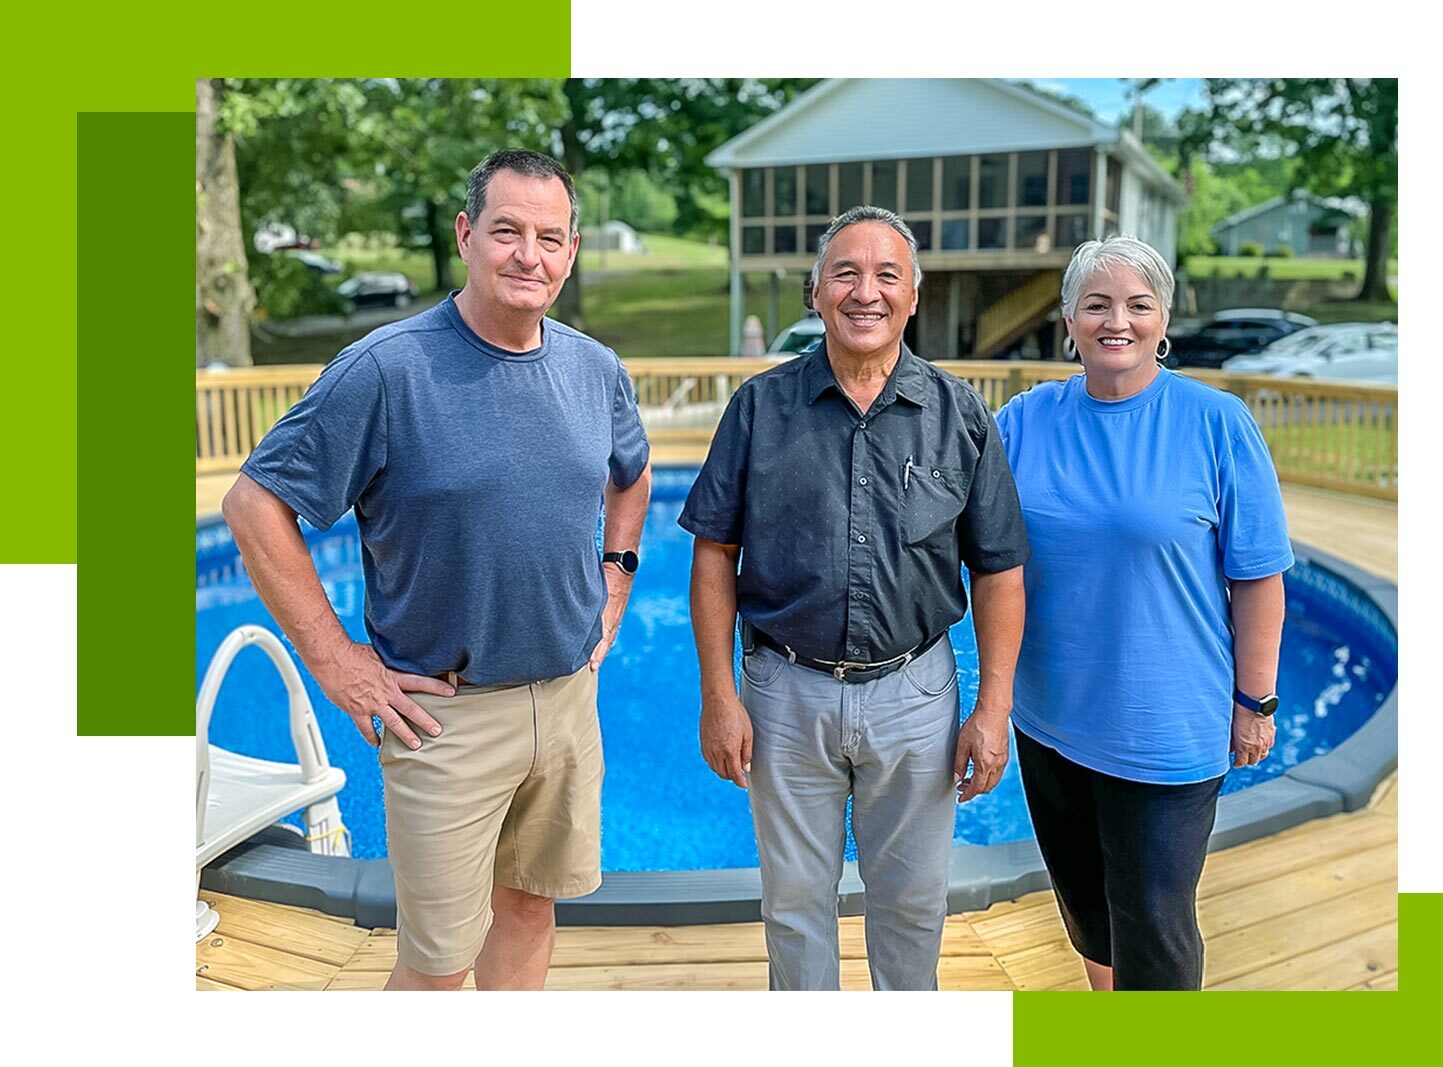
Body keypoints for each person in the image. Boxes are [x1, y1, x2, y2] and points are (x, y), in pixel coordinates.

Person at [220, 149, 651, 990]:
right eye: (508, 231)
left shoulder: (594, 368)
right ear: (466, 234)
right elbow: (253, 504)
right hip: (444, 718)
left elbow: (630, 474)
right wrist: (339, 663)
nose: (530, 254)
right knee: (436, 968)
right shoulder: (386, 369)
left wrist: (616, 579)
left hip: (567, 702)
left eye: (551, 237)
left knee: (530, 910)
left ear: (571, 251)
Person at [680, 205, 1030, 990]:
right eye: (845, 272)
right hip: (783, 692)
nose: (863, 292)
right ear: (814, 292)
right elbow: (714, 557)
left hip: (916, 694)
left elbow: (1000, 569)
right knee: (795, 909)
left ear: (913, 296)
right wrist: (719, 695)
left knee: (911, 907)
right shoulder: (758, 410)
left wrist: (993, 707)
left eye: (885, 275)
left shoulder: (960, 414)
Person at [995, 235, 1293, 991]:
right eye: (1096, 304)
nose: (1115, 321)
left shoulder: (1216, 422)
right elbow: (964, 537)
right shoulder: (1025, 420)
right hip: (1050, 719)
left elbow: (1258, 576)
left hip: (1165, 726)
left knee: (1155, 931)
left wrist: (1254, 700)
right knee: (1088, 914)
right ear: (1069, 319)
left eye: (1137, 304)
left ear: (1164, 321)